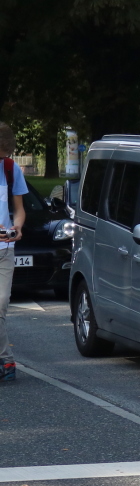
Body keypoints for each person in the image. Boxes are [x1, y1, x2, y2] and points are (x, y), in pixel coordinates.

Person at [0, 121, 28, 382]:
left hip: (5, 249)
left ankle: (5, 362)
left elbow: (18, 209)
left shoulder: (10, 169)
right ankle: (6, 362)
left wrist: (16, 227)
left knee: (1, 304)